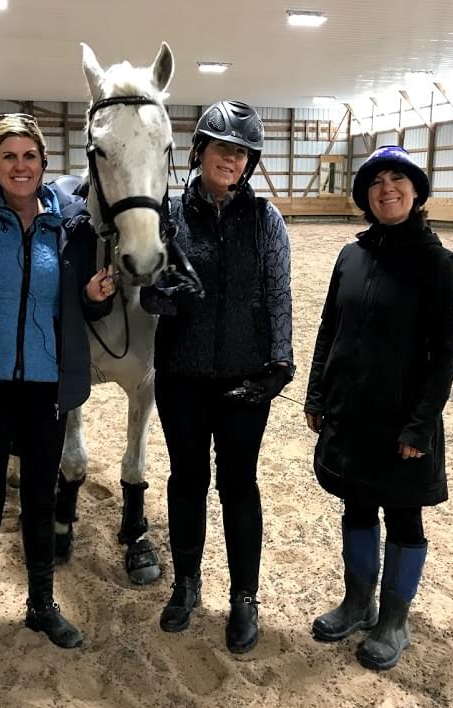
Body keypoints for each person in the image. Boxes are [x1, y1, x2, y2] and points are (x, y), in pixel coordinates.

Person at [0, 113, 115, 668]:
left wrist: (94, 296)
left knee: (40, 500)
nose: (21, 166)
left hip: (45, 386)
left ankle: (41, 602)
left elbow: (87, 304)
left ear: (43, 165)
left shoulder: (69, 226)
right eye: (9, 156)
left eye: (30, 157)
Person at [141, 101, 294, 654]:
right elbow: (147, 289)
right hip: (182, 375)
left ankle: (244, 596)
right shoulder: (169, 214)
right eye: (220, 148)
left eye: (240, 152)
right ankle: (186, 585)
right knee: (186, 482)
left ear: (249, 161)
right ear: (199, 151)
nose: (230, 159)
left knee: (238, 486)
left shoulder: (266, 219)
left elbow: (279, 291)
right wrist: (160, 296)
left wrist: (281, 362)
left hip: (244, 380)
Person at [304, 145, 453, 670]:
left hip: (403, 422)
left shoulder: (440, 265)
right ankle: (357, 601)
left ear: (416, 192)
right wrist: (317, 393)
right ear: (365, 197)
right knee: (355, 505)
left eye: (398, 179)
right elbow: (330, 328)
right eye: (376, 182)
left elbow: (446, 354)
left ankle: (394, 618)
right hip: (351, 412)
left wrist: (420, 426)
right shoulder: (351, 256)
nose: (386, 189)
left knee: (403, 516)